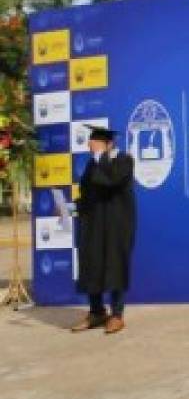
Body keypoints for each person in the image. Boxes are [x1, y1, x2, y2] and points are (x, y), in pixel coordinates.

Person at [70, 126, 136, 335]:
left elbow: (111, 180)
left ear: (109, 144)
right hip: (94, 224)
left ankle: (117, 315)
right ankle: (97, 312)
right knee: (92, 263)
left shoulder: (125, 160)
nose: (90, 145)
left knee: (114, 266)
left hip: (117, 225)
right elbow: (88, 194)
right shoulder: (92, 164)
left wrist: (100, 157)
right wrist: (71, 207)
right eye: (91, 142)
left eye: (95, 142)